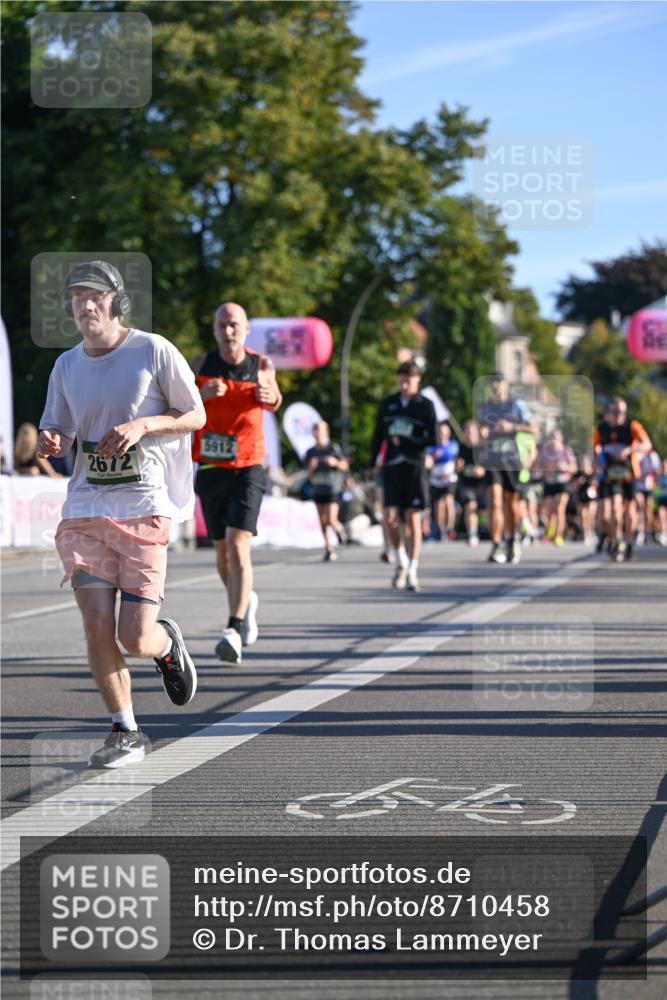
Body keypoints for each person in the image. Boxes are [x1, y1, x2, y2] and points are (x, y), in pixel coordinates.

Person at [38, 260, 205, 768]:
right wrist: (52, 440)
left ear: (118, 302)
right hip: (86, 508)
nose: (85, 305)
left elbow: (195, 414)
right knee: (95, 625)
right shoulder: (66, 365)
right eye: (77, 297)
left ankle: (165, 645)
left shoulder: (153, 350)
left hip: (143, 506)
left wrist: (143, 426)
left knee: (134, 637)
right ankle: (125, 730)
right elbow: (58, 427)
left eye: (96, 296)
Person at [191, 302, 282, 663]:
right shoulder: (200, 364)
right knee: (222, 552)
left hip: (249, 465)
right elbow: (177, 406)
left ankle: (233, 626)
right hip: (211, 466)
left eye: (234, 325)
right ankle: (247, 600)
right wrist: (199, 396)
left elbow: (275, 398)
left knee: (237, 542)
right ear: (214, 329)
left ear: (246, 330)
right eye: (222, 325)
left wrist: (271, 397)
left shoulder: (262, 365)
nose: (228, 331)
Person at [370, 359, 438, 591]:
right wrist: (372, 462)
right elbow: (378, 436)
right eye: (402, 379)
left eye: (409, 379)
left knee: (413, 518)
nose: (405, 384)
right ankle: (401, 561)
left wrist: (409, 441)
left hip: (415, 466)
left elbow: (433, 439)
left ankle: (413, 570)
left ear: (418, 380)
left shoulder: (426, 406)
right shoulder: (389, 404)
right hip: (392, 466)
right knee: (390, 517)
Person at [477, 372, 537, 565]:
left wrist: (512, 427)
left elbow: (533, 428)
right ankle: (497, 543)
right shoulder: (485, 408)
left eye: (499, 383)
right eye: (492, 383)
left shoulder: (516, 405)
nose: (496, 386)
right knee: (495, 500)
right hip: (492, 459)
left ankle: (512, 538)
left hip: (511, 460)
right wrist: (482, 433)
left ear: (506, 385)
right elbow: (480, 430)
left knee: (511, 503)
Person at [593, 396, 652, 562]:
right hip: (610, 475)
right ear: (609, 412)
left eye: (622, 412)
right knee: (613, 508)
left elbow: (647, 444)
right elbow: (593, 446)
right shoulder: (602, 429)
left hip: (628, 474)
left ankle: (629, 540)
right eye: (615, 412)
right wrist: (595, 464)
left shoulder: (632, 426)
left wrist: (629, 450)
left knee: (630, 512)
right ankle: (616, 540)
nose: (619, 415)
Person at [303, 420, 348, 561]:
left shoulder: (333, 448)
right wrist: (312, 467)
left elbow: (345, 466)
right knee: (322, 521)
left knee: (331, 519)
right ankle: (329, 547)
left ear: (326, 432)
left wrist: (335, 462)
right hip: (318, 489)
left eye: (320, 430)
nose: (318, 433)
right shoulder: (310, 452)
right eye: (315, 430)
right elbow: (308, 475)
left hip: (332, 488)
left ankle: (339, 530)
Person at [533, 428, 577, 547]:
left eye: (556, 438)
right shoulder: (544, 452)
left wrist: (565, 467)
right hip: (549, 482)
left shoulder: (566, 451)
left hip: (563, 482)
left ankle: (558, 535)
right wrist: (545, 470)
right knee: (549, 511)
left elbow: (574, 468)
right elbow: (537, 467)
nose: (554, 441)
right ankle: (550, 531)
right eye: (552, 438)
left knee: (559, 509)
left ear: (561, 439)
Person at [455, 420, 487, 547]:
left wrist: (482, 469)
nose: (468, 434)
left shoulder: (482, 447)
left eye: (471, 431)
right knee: (470, 505)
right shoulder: (461, 448)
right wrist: (458, 465)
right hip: (467, 484)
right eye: (467, 431)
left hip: (482, 484)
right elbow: (457, 464)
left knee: (484, 510)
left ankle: (486, 530)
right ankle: (472, 534)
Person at [426, 422, 459, 541]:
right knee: (438, 504)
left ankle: (450, 529)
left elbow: (458, 462)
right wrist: (434, 457)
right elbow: (428, 464)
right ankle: (441, 529)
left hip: (449, 478)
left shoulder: (453, 446)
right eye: (440, 432)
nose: (442, 435)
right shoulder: (432, 447)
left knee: (449, 501)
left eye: (445, 433)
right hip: (436, 479)